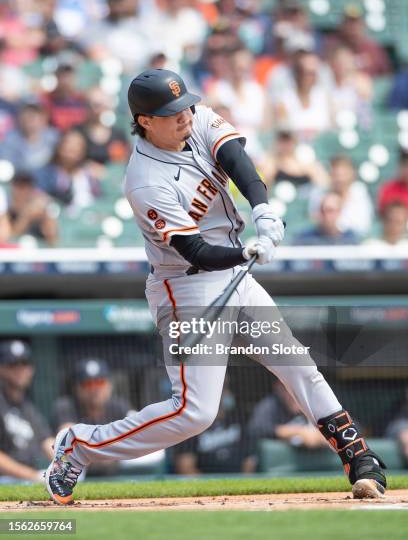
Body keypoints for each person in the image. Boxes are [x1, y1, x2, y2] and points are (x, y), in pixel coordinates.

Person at [45, 68, 386, 505]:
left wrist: (262, 208)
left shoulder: (197, 117)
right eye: (170, 112)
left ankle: (358, 456)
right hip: (186, 288)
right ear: (145, 121)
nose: (184, 114)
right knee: (194, 413)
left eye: (184, 104)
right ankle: (79, 445)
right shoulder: (143, 179)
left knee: (296, 363)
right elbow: (196, 251)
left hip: (234, 274)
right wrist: (246, 253)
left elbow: (237, 159)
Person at [52, 358, 134, 477]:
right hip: (76, 477)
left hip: (119, 474)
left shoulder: (119, 407)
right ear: (77, 388)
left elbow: (136, 438)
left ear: (109, 386)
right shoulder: (67, 407)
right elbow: (70, 445)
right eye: (88, 384)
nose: (94, 389)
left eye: (99, 382)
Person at [172, 382, 255, 475]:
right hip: (204, 484)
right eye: (220, 389)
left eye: (225, 388)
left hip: (236, 482)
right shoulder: (192, 423)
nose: (225, 393)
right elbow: (185, 466)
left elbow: (249, 460)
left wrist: (239, 485)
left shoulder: (238, 419)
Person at [0, 340, 53, 483]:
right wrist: (33, 476)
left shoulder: (28, 406)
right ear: (1, 369)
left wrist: (65, 463)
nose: (20, 370)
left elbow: (46, 440)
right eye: (13, 365)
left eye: (24, 364)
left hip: (27, 479)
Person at [249, 380, 328, 449]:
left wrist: (321, 436)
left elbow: (334, 427)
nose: (293, 394)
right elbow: (255, 429)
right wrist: (296, 432)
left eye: (298, 389)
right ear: (278, 388)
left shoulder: (312, 405)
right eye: (288, 388)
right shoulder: (270, 405)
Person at [309, 156, 373, 237]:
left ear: (352, 175)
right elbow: (314, 220)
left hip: (352, 243)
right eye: (336, 174)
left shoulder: (360, 192)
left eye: (344, 174)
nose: (340, 179)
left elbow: (363, 227)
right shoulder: (319, 193)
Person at [7, 171, 58, 246]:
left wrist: (47, 216)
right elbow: (8, 240)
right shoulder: (5, 211)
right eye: (19, 186)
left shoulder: (41, 209)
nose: (23, 191)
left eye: (27, 186)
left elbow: (54, 242)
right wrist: (26, 217)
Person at [295, 192, 359, 246]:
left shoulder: (349, 238)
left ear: (339, 212)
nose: (326, 215)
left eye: (330, 210)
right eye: (322, 210)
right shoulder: (305, 238)